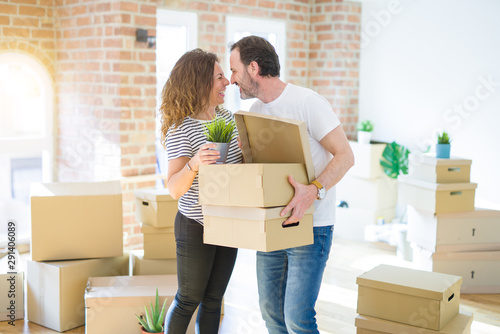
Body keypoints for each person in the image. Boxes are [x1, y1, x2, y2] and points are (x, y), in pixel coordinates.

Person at [229, 36, 355, 334]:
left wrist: (313, 190)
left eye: (234, 71)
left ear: (254, 68)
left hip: (312, 227)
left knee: (298, 319)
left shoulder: (307, 102)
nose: (232, 80)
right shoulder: (256, 112)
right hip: (274, 224)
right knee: (271, 313)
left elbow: (346, 156)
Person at [159, 48, 242, 334]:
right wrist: (195, 162)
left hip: (228, 222)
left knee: (214, 300)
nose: (227, 83)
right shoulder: (181, 128)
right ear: (199, 82)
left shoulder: (228, 119)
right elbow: (173, 188)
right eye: (219, 77)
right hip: (196, 224)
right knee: (188, 299)